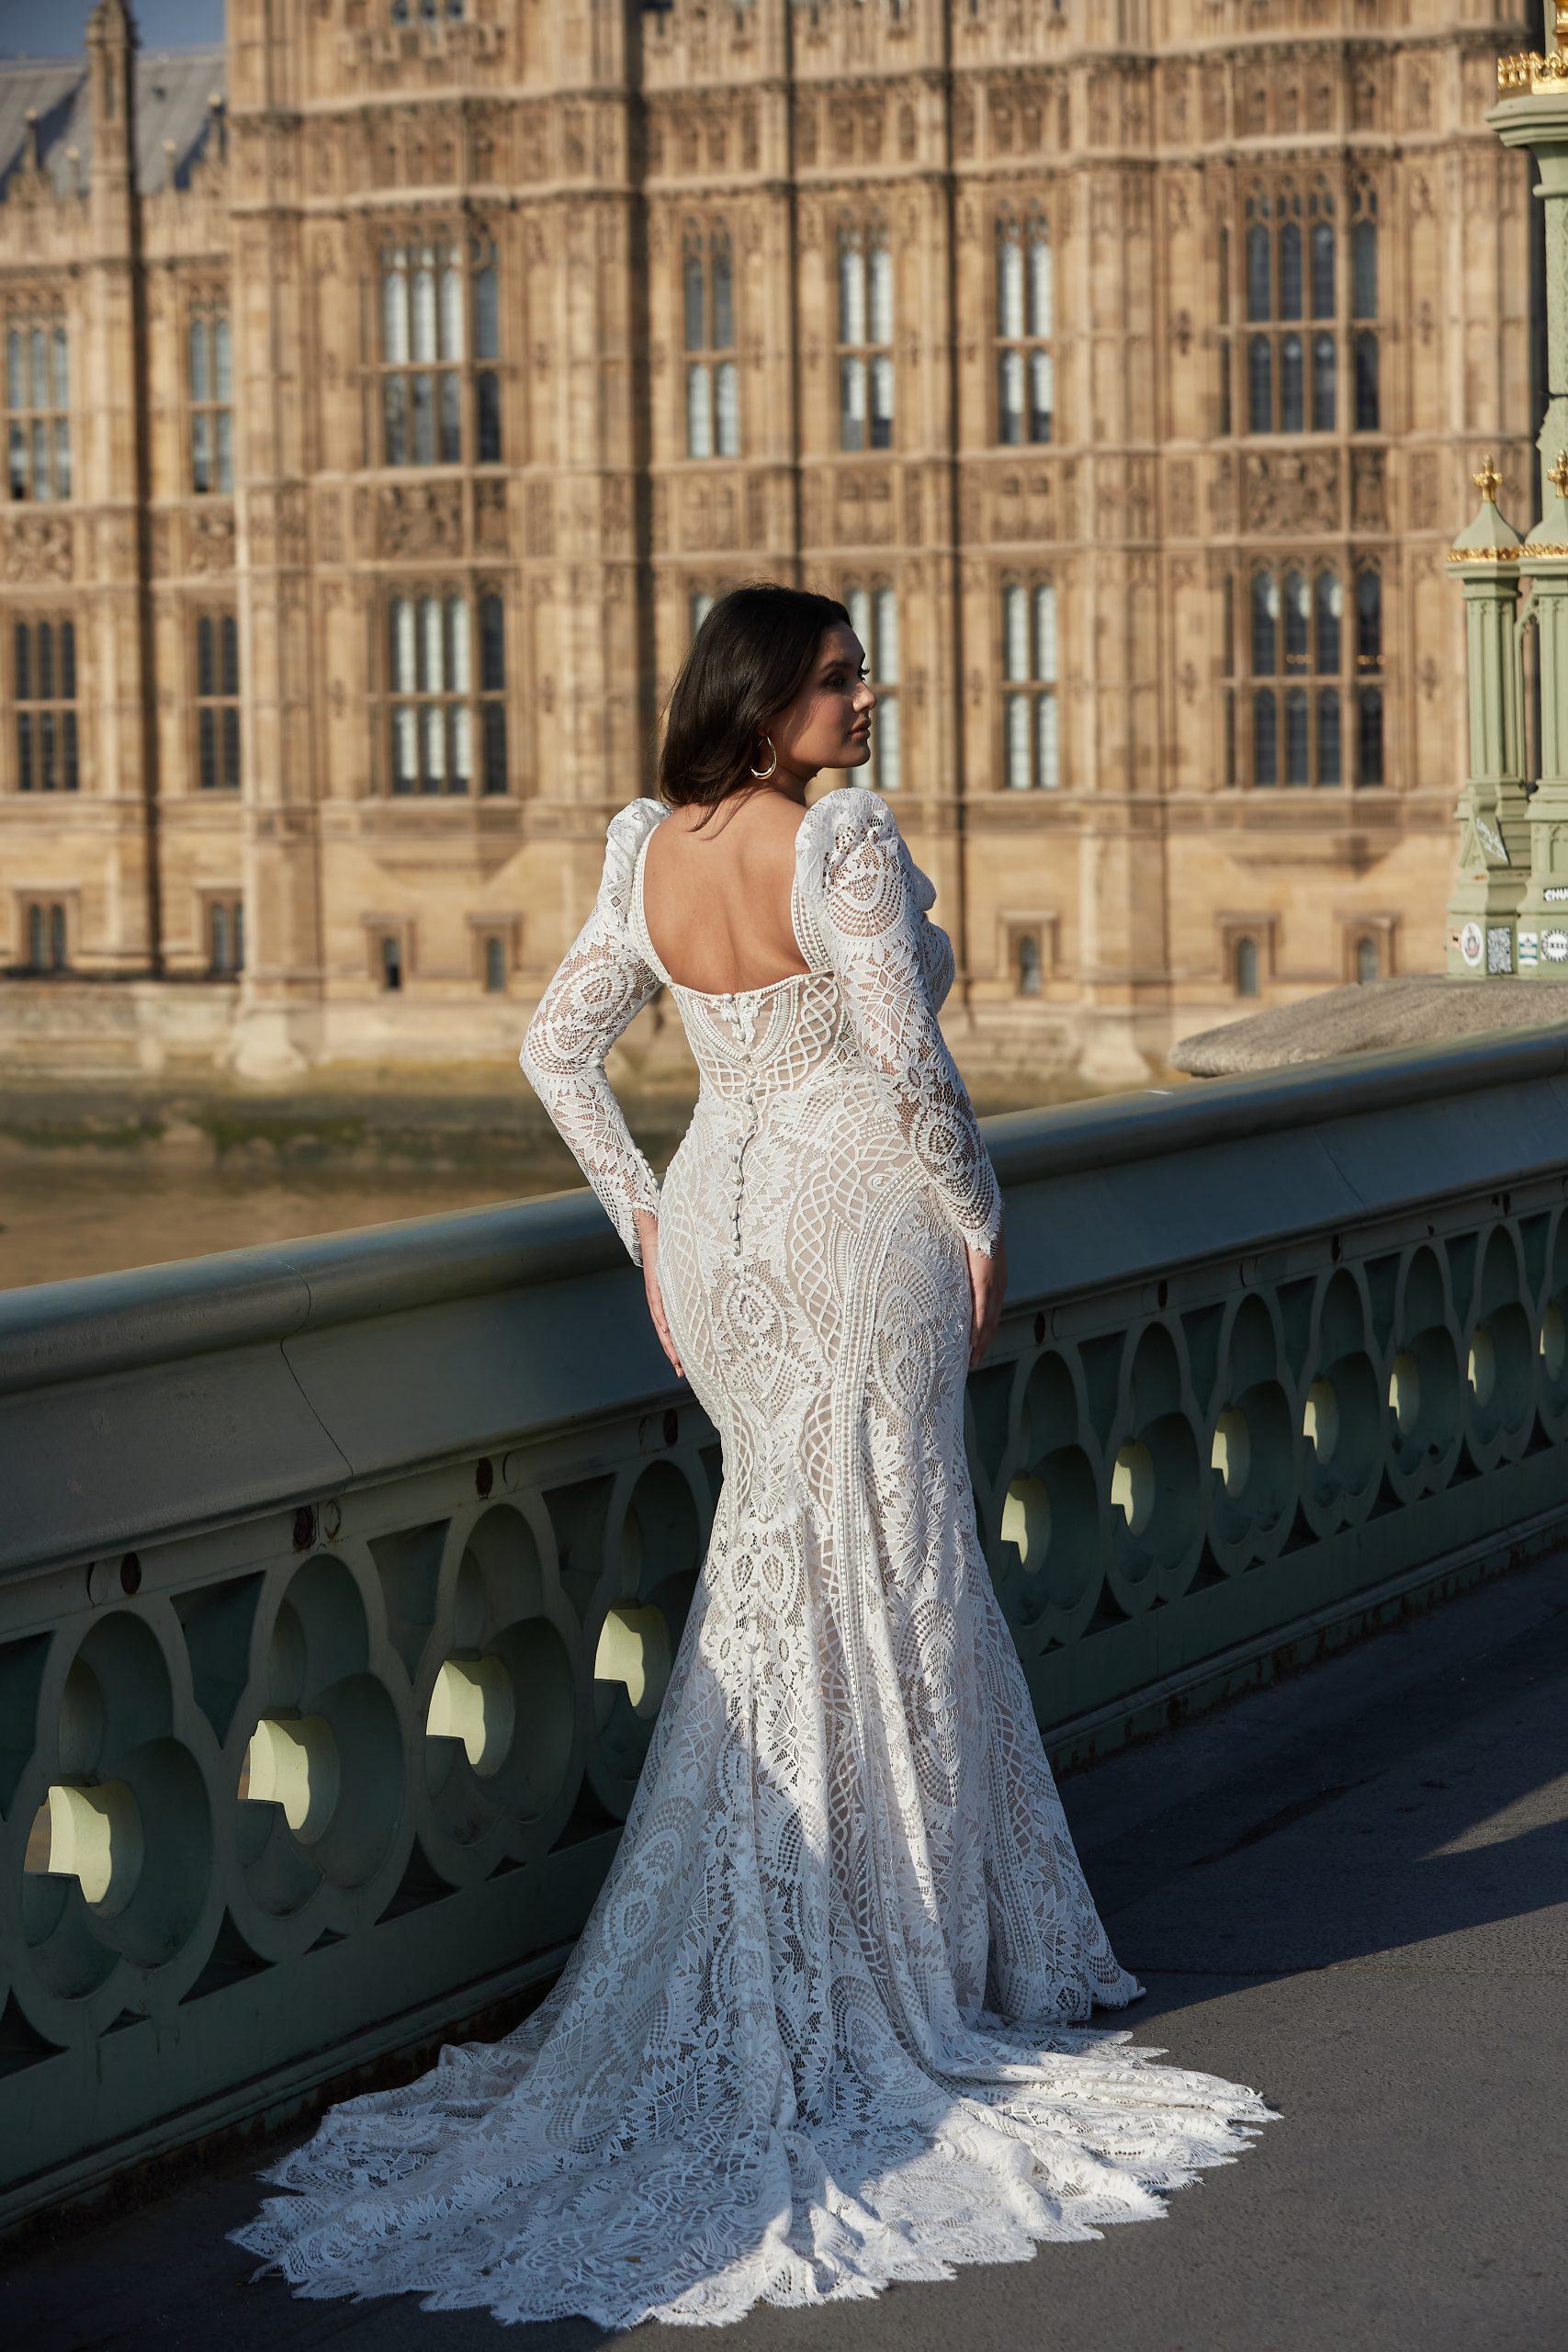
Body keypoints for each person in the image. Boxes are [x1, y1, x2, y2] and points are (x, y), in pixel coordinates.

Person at [231, 583, 1276, 2327]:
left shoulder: (650, 840)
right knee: (891, 1562)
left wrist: (646, 1219)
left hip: (721, 1222)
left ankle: (794, 1920)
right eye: (840, 676)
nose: (870, 698)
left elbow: (553, 1048)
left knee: (787, 1563)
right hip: (859, 1219)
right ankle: (902, 1954)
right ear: (772, 695)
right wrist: (980, 1216)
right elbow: (910, 1064)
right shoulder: (839, 841)